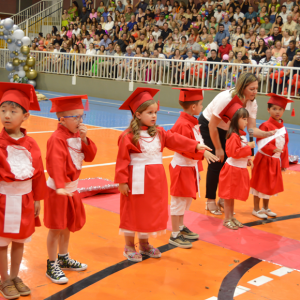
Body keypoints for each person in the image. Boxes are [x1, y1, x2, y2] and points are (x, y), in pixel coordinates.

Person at [115, 88, 211, 262]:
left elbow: (176, 139)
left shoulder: (158, 132)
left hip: (155, 182)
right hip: (136, 180)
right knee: (132, 212)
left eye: (155, 112)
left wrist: (195, 146)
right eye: (149, 113)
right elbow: (121, 160)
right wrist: (122, 181)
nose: (154, 116)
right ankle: (129, 245)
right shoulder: (128, 136)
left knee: (149, 212)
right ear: (137, 115)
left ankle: (144, 244)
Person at [198, 73, 275, 214]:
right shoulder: (226, 98)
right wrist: (218, 148)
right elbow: (212, 126)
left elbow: (251, 128)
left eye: (257, 88)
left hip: (229, 130)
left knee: (228, 164)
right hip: (209, 125)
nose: (255, 92)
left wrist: (266, 134)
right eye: (252, 89)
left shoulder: (253, 102)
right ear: (242, 87)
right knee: (216, 162)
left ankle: (223, 198)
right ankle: (210, 201)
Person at [44, 95, 97, 284]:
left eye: (81, 116)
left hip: (71, 190)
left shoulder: (77, 135)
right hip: (58, 190)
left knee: (66, 226)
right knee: (56, 228)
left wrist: (85, 138)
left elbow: (90, 157)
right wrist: (59, 186)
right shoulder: (56, 139)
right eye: (75, 117)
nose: (79, 121)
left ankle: (63, 257)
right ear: (62, 119)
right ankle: (51, 264)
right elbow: (55, 164)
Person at [0, 83, 46, 299]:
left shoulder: (31, 144)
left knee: (19, 240)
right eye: (3, 110)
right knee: (1, 241)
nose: (6, 115)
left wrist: (38, 198)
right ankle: (5, 279)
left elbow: (38, 173)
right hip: (2, 199)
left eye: (13, 111)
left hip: (25, 199)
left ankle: (15, 275)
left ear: (25, 116)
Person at [169, 88, 219, 248]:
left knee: (186, 200)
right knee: (178, 200)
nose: (202, 107)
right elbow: (183, 147)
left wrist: (198, 164)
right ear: (193, 107)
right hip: (182, 167)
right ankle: (174, 234)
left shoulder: (191, 122)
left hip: (190, 166)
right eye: (201, 104)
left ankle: (181, 227)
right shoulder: (183, 124)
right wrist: (202, 154)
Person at [250, 94, 292, 219]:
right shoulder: (265, 126)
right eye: (274, 109)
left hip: (274, 161)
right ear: (268, 110)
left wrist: (284, 163)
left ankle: (265, 208)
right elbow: (260, 142)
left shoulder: (283, 128)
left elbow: (285, 146)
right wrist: (272, 149)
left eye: (280, 109)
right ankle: (256, 209)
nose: (277, 112)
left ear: (284, 110)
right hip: (263, 159)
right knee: (259, 183)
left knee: (270, 185)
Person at [218, 104, 255, 230]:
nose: (246, 122)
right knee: (228, 197)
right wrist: (248, 147)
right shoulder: (233, 135)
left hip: (239, 168)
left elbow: (241, 151)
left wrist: (248, 159)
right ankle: (227, 219)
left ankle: (231, 217)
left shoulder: (241, 135)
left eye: (246, 119)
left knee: (232, 195)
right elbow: (234, 153)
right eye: (243, 119)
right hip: (232, 170)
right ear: (235, 120)